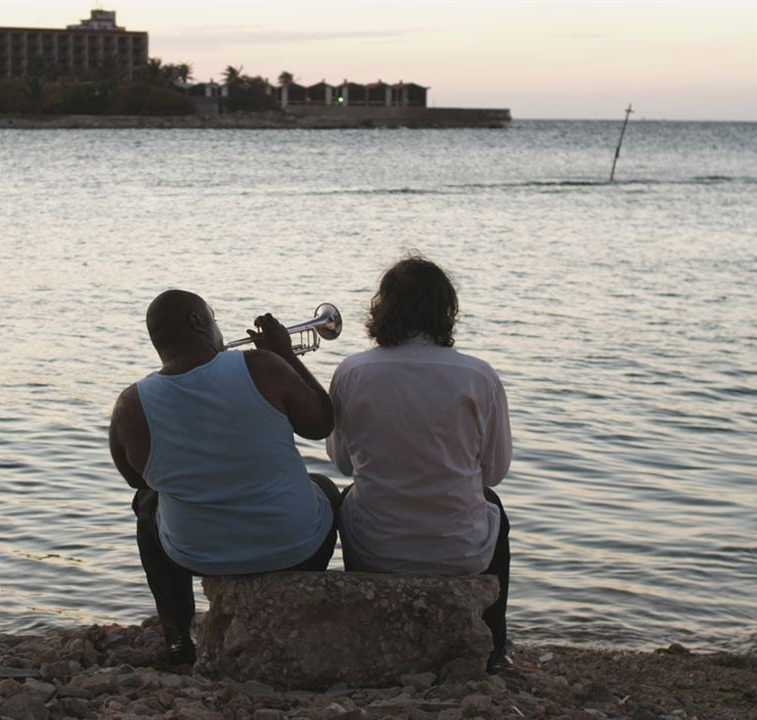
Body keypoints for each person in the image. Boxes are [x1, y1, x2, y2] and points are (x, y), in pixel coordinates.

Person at [109, 289, 341, 665]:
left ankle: (177, 638)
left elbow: (137, 480)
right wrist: (283, 354)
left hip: (195, 555)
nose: (219, 330)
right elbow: (321, 423)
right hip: (296, 549)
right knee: (326, 487)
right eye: (214, 318)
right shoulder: (261, 366)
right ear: (197, 322)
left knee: (148, 503)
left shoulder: (131, 405)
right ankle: (294, 612)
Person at [326, 256, 513, 672]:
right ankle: (493, 646)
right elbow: (493, 472)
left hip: (375, 549)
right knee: (493, 504)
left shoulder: (352, 370)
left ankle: (364, 622)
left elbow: (341, 463)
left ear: (382, 308)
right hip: (460, 550)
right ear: (446, 310)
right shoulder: (478, 376)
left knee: (343, 496)